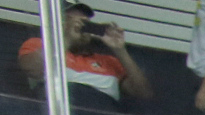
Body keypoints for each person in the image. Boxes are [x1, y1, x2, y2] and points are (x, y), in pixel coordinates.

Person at [19, 3, 150, 107]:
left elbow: (144, 94)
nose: (81, 27)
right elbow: (33, 69)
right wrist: (66, 39)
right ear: (60, 24)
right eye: (72, 21)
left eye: (86, 23)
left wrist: (120, 50)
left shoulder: (109, 61)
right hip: (59, 114)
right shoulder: (41, 45)